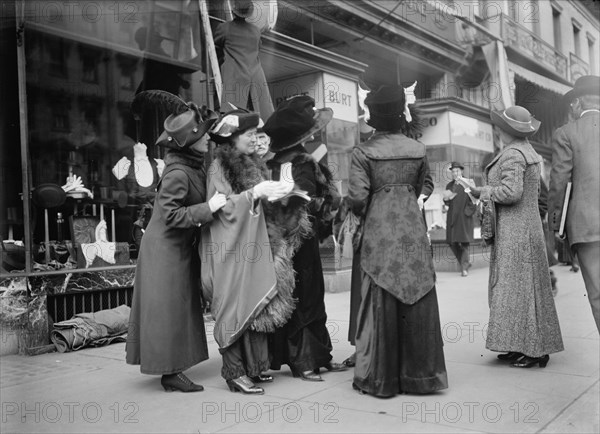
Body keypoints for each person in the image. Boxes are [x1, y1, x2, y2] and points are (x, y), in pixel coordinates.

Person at [347, 84, 447, 397]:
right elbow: (426, 185)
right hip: (413, 231)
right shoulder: (418, 148)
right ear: (401, 113)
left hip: (379, 232)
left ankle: (382, 378)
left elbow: (357, 198)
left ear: (372, 117)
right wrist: (409, 199)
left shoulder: (363, 152)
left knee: (381, 293)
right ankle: (421, 376)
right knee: (417, 292)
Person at [200, 108, 307, 395]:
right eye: (249, 134)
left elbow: (252, 202)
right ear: (232, 139)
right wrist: (253, 195)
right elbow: (220, 207)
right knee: (233, 305)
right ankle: (234, 372)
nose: (254, 139)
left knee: (253, 303)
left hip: (250, 245)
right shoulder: (218, 168)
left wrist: (275, 196)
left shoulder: (250, 163)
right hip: (229, 248)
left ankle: (254, 367)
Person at [125, 103, 225, 392]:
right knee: (168, 309)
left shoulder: (189, 167)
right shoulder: (177, 174)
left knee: (177, 307)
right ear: (190, 142)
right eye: (203, 135)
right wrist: (208, 208)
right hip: (164, 249)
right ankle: (169, 373)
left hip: (175, 246)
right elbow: (169, 215)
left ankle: (172, 367)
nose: (208, 138)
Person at [469, 105, 564, 367]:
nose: (497, 130)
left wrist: (484, 191)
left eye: (500, 126)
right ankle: (519, 343)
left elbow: (512, 192)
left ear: (506, 130)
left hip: (515, 230)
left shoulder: (512, 154)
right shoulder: (528, 151)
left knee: (516, 290)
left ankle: (533, 350)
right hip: (527, 228)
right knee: (521, 290)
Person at [263, 95, 347, 381]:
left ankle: (319, 356)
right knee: (303, 297)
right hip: (294, 241)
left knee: (308, 296)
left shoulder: (280, 162)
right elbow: (301, 201)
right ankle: (305, 361)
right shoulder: (298, 162)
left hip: (290, 239)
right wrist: (326, 206)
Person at [548, 75, 600, 332]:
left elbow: (559, 183)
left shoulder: (566, 134)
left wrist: (556, 228)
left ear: (578, 102)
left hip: (589, 228)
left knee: (599, 296)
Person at [214, 0, 274, 118]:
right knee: (259, 115)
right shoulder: (256, 31)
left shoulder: (224, 28)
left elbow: (215, 45)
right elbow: (258, 48)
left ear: (233, 10)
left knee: (233, 116)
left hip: (236, 75)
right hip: (256, 76)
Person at [443, 162, 477, 276]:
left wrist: (467, 212)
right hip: (452, 217)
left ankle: (464, 267)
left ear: (461, 171)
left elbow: (475, 200)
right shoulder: (449, 185)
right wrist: (445, 203)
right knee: (452, 242)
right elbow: (446, 199)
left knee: (464, 242)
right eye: (453, 171)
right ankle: (465, 263)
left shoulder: (468, 183)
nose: (454, 173)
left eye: (457, 171)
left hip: (464, 217)